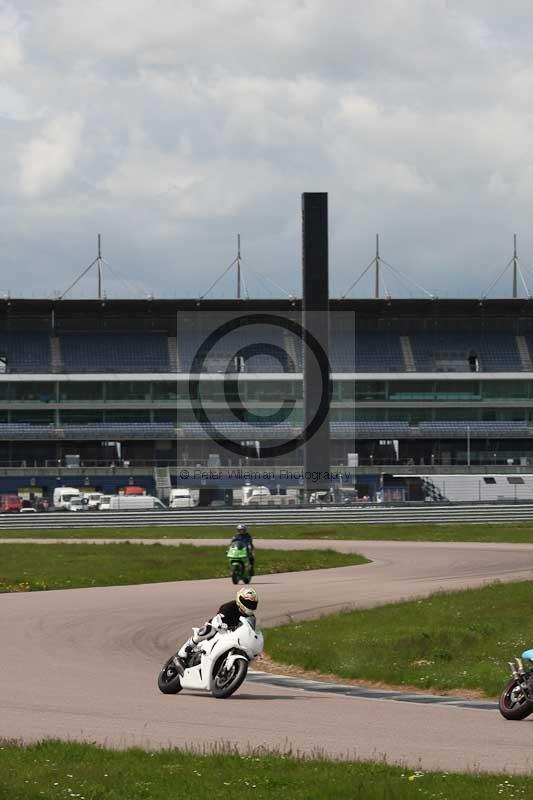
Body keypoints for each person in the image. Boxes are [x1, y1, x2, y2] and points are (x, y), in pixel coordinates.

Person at [177, 587, 259, 662]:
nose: (250, 606)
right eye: (248, 603)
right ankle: (186, 647)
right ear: (240, 600)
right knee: (209, 630)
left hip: (232, 636)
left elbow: (251, 630)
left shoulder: (251, 617)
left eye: (252, 604)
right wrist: (222, 625)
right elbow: (219, 617)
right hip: (219, 627)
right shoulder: (231, 606)